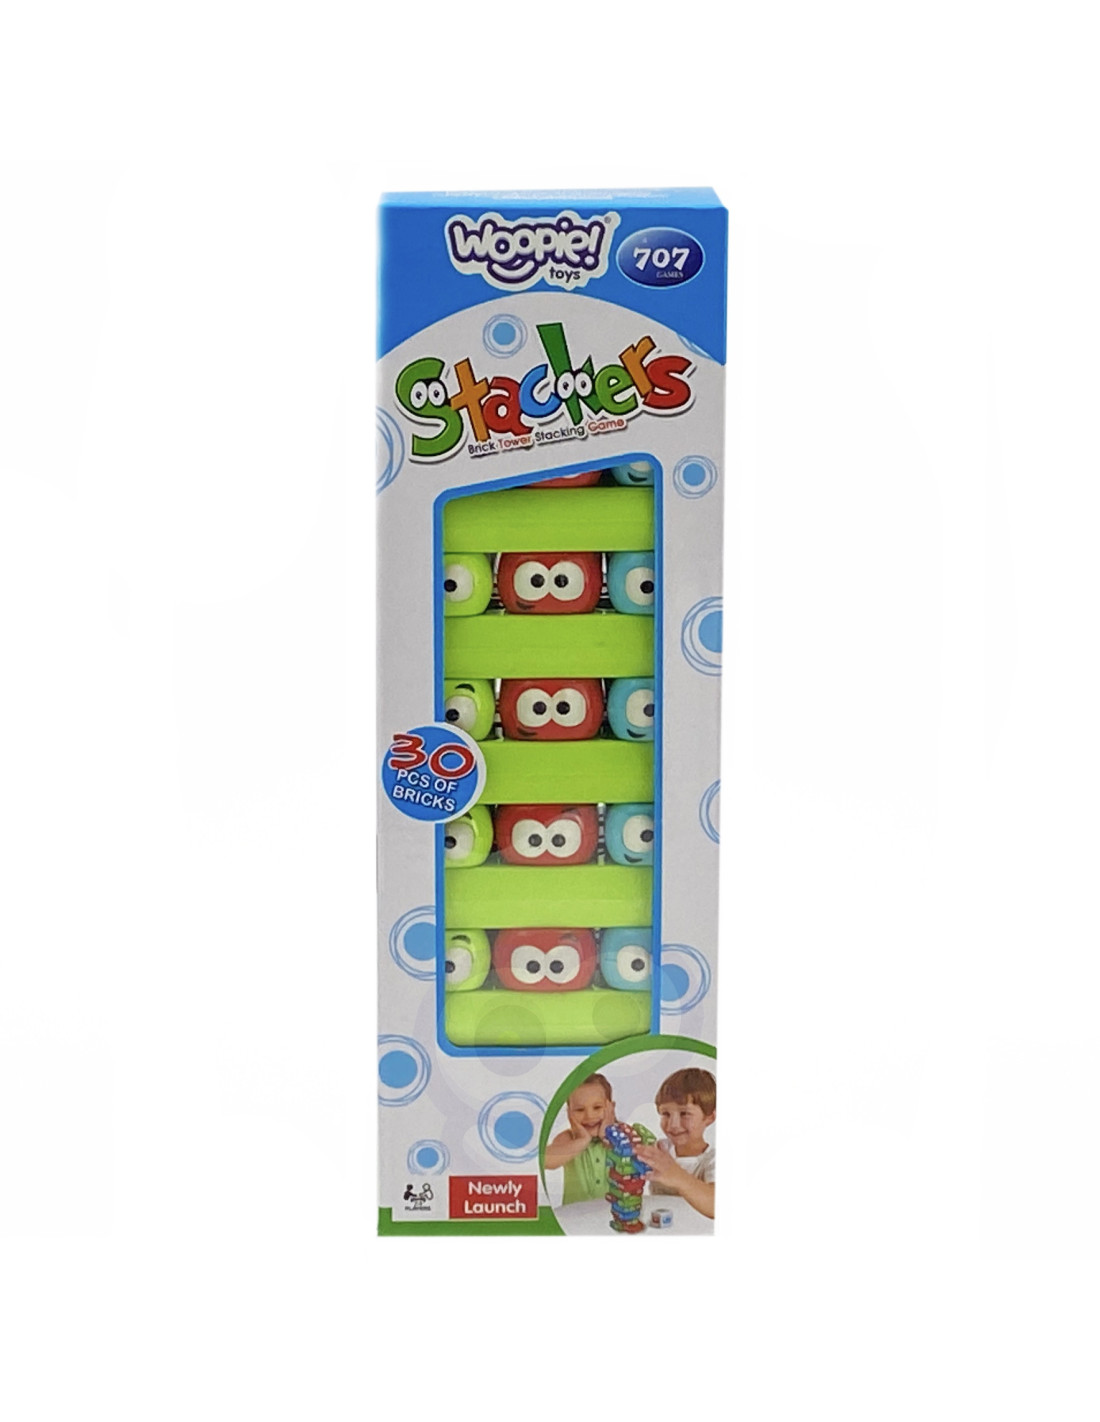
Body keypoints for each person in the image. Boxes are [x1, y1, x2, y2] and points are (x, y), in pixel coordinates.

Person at [636, 1067, 716, 1219]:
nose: (673, 1124)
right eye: (666, 1114)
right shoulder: (660, 1149)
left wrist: (677, 1175)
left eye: (684, 1113)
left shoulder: (712, 1160)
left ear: (709, 1117)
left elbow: (716, 1206)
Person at [544, 1073, 616, 1205]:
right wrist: (582, 1140)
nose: (589, 1116)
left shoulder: (628, 1135)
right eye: (579, 1110)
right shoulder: (568, 1139)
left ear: (611, 1107)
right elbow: (545, 1160)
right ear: (569, 1113)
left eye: (597, 1107)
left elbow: (641, 1162)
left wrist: (609, 1136)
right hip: (575, 1215)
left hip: (618, 1214)